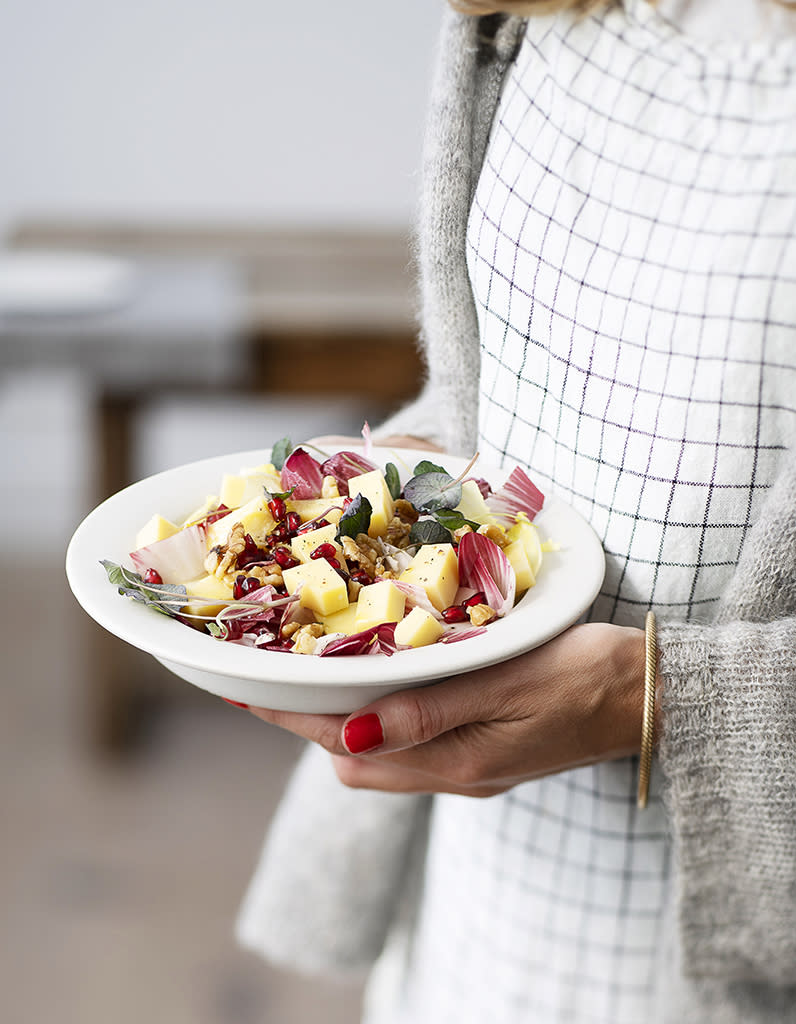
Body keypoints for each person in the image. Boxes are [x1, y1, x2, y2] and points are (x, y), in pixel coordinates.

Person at [234, 1, 796, 1021]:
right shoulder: (535, 9)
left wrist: (668, 701)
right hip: (476, 905)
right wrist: (388, 497)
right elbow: (515, 385)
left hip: (717, 966)